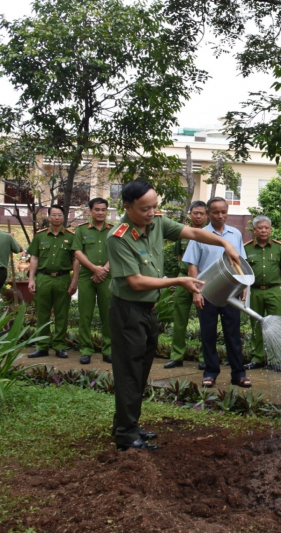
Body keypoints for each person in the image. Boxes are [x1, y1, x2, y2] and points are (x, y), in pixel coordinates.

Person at [106, 180, 241, 451]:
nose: (152, 212)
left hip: (148, 310)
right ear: (127, 207)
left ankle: (129, 425)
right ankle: (124, 434)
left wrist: (225, 244)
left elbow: (193, 232)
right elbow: (135, 282)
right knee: (129, 372)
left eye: (155, 206)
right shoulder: (118, 237)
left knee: (141, 370)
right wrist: (178, 281)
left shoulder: (156, 222)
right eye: (145, 208)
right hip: (127, 311)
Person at [183, 197, 250, 389]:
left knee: (233, 334)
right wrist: (196, 292)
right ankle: (210, 373)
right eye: (215, 212)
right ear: (208, 214)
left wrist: (243, 286)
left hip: (230, 293)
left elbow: (240, 263)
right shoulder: (199, 234)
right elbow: (192, 264)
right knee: (208, 334)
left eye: (223, 212)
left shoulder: (236, 234)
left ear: (227, 212)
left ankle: (238, 374)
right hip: (207, 292)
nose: (220, 216)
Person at [27, 205, 79, 359]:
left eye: (60, 215)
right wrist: (31, 279)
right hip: (43, 278)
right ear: (48, 217)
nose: (57, 218)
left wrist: (74, 280)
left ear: (64, 217)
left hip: (63, 278)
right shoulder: (40, 236)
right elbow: (34, 257)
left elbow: (75, 259)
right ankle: (42, 346)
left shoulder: (71, 236)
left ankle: (59, 346)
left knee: (62, 314)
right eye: (54, 215)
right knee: (42, 314)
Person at [164, 200, 207, 370]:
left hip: (203, 282)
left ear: (206, 215)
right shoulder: (182, 234)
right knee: (179, 319)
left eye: (201, 213)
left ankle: (205, 357)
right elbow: (179, 258)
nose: (198, 216)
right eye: (195, 213)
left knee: (205, 320)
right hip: (184, 281)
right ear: (190, 214)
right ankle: (177, 356)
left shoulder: (210, 235)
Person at [243, 215, 281, 370]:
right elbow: (243, 271)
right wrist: (243, 291)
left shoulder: (279, 247)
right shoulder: (246, 248)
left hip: (273, 291)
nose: (263, 230)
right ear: (254, 230)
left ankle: (276, 359)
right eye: (260, 228)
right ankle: (257, 358)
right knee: (256, 325)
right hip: (254, 292)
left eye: (266, 228)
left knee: (275, 325)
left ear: (270, 230)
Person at [72, 198, 113, 365]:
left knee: (108, 314)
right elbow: (77, 252)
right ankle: (86, 350)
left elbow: (118, 252)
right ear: (90, 211)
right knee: (85, 314)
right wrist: (94, 269)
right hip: (86, 276)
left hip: (107, 276)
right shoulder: (81, 230)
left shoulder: (113, 230)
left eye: (103, 209)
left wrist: (103, 269)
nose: (100, 212)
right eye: (97, 209)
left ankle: (108, 350)